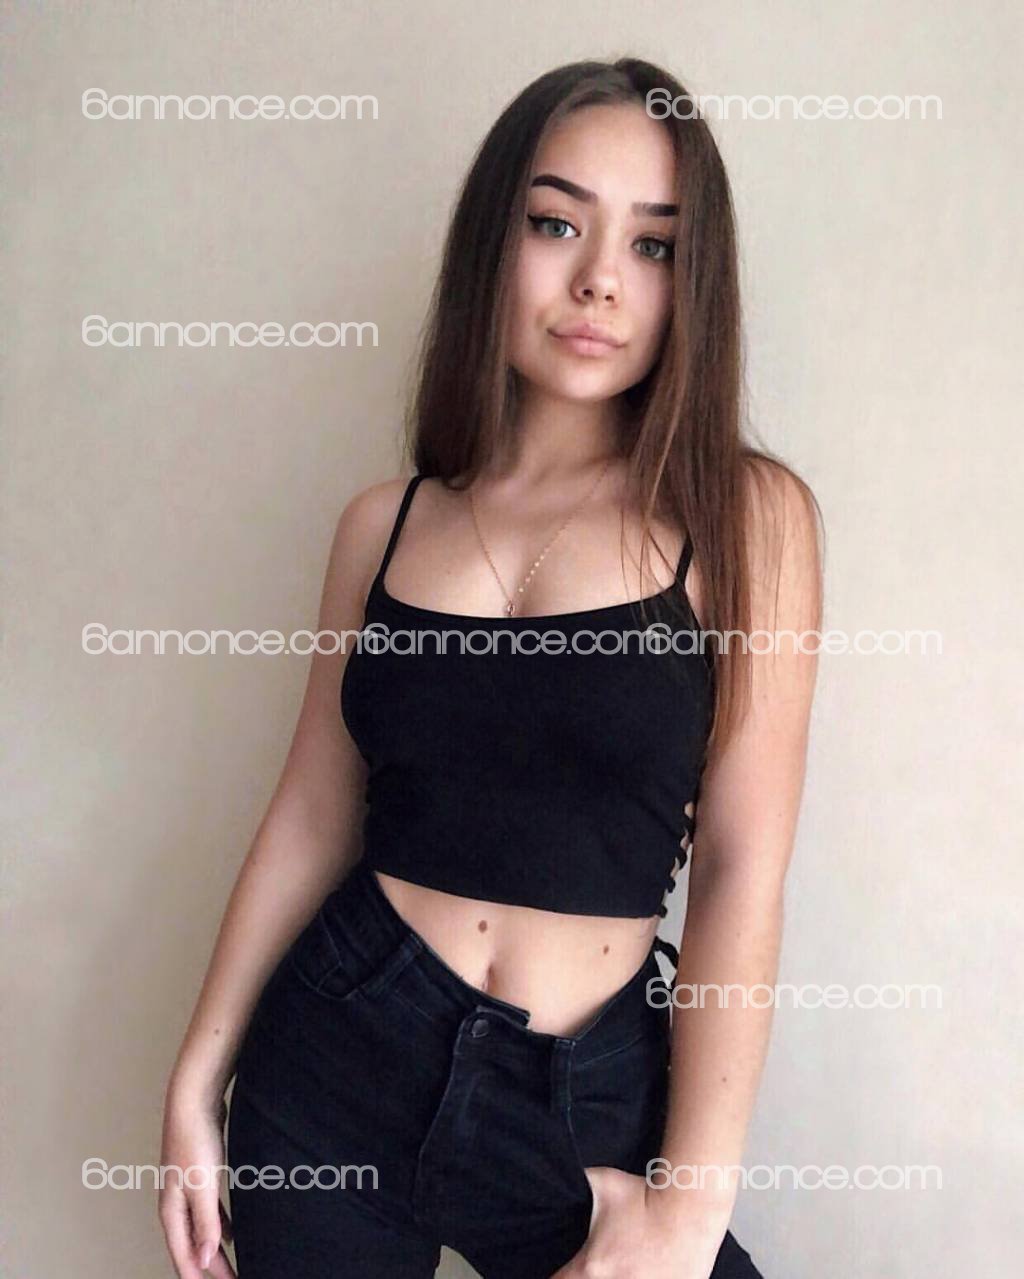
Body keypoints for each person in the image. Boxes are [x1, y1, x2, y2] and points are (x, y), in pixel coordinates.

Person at [159, 57, 823, 1279]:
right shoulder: (383, 523)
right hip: (333, 1058)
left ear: (692, 283)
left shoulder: (748, 521)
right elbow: (312, 810)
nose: (599, 279)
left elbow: (743, 868)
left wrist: (687, 1210)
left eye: (654, 246)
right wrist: (197, 1080)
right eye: (556, 223)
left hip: (584, 1091)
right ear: (493, 242)